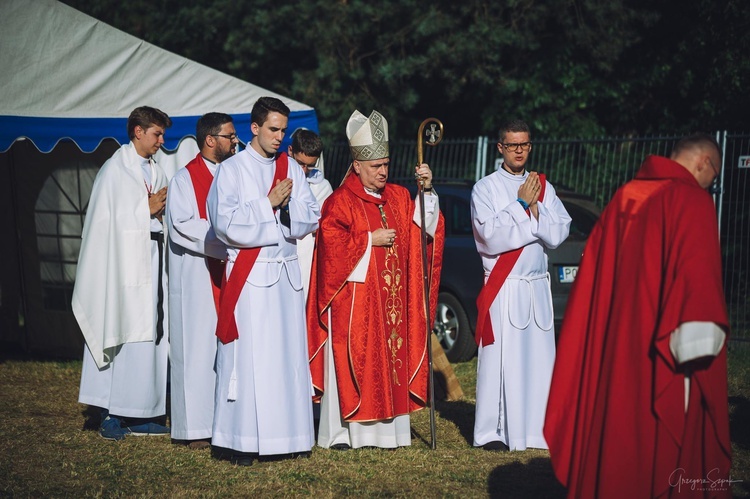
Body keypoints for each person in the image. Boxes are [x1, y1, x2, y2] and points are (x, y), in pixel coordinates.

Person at [544, 134, 732, 498]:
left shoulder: (624, 197)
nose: (711, 184)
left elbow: (594, 287)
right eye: (715, 176)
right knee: (659, 452)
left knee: (612, 440)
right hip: (665, 357)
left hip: (614, 349)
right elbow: (698, 294)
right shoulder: (692, 200)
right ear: (705, 163)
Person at [307, 109, 445, 449]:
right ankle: (343, 433)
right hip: (355, 303)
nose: (383, 171)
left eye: (385, 164)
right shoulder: (340, 201)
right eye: (375, 166)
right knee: (355, 358)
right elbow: (329, 248)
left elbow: (424, 231)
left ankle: (392, 432)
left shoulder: (398, 196)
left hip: (392, 305)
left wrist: (427, 191)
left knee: (392, 359)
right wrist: (369, 239)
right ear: (357, 166)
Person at [207, 96, 320, 465]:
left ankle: (290, 437)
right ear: (254, 128)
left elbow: (310, 215)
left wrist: (287, 210)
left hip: (285, 277)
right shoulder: (233, 169)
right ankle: (241, 440)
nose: (279, 137)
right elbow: (223, 223)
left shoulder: (291, 166)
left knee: (285, 358)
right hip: (251, 276)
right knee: (252, 360)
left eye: (283, 130)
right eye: (273, 129)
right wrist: (267, 203)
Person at [470, 118, 571, 451]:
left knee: (538, 361)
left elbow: (559, 232)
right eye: (512, 145)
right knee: (500, 361)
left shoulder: (543, 185)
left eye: (524, 144)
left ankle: (536, 429)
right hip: (505, 287)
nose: (519, 151)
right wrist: (522, 207)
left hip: (537, 287)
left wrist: (532, 214)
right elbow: (489, 237)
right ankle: (492, 432)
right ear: (500, 147)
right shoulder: (484, 188)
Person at [73, 106, 172, 440]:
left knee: (149, 335)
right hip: (121, 269)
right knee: (119, 327)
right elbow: (103, 224)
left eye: (163, 134)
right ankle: (109, 411)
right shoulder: (115, 171)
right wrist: (145, 209)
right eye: (157, 133)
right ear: (138, 132)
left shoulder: (155, 171)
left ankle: (139, 410)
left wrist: (158, 215)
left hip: (151, 261)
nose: (161, 140)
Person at [165, 113, 238, 450]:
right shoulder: (184, 179)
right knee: (194, 350)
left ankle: (225, 423)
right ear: (211, 139)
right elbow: (181, 224)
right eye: (230, 136)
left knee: (226, 349)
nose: (235, 141)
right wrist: (226, 239)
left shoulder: (235, 175)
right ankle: (193, 428)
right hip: (197, 275)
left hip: (230, 273)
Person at [287, 128, 333, 299]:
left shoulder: (323, 187)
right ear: (290, 151)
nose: (304, 170)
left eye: (310, 165)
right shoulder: (274, 177)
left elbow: (323, 224)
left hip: (307, 255)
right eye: (300, 163)